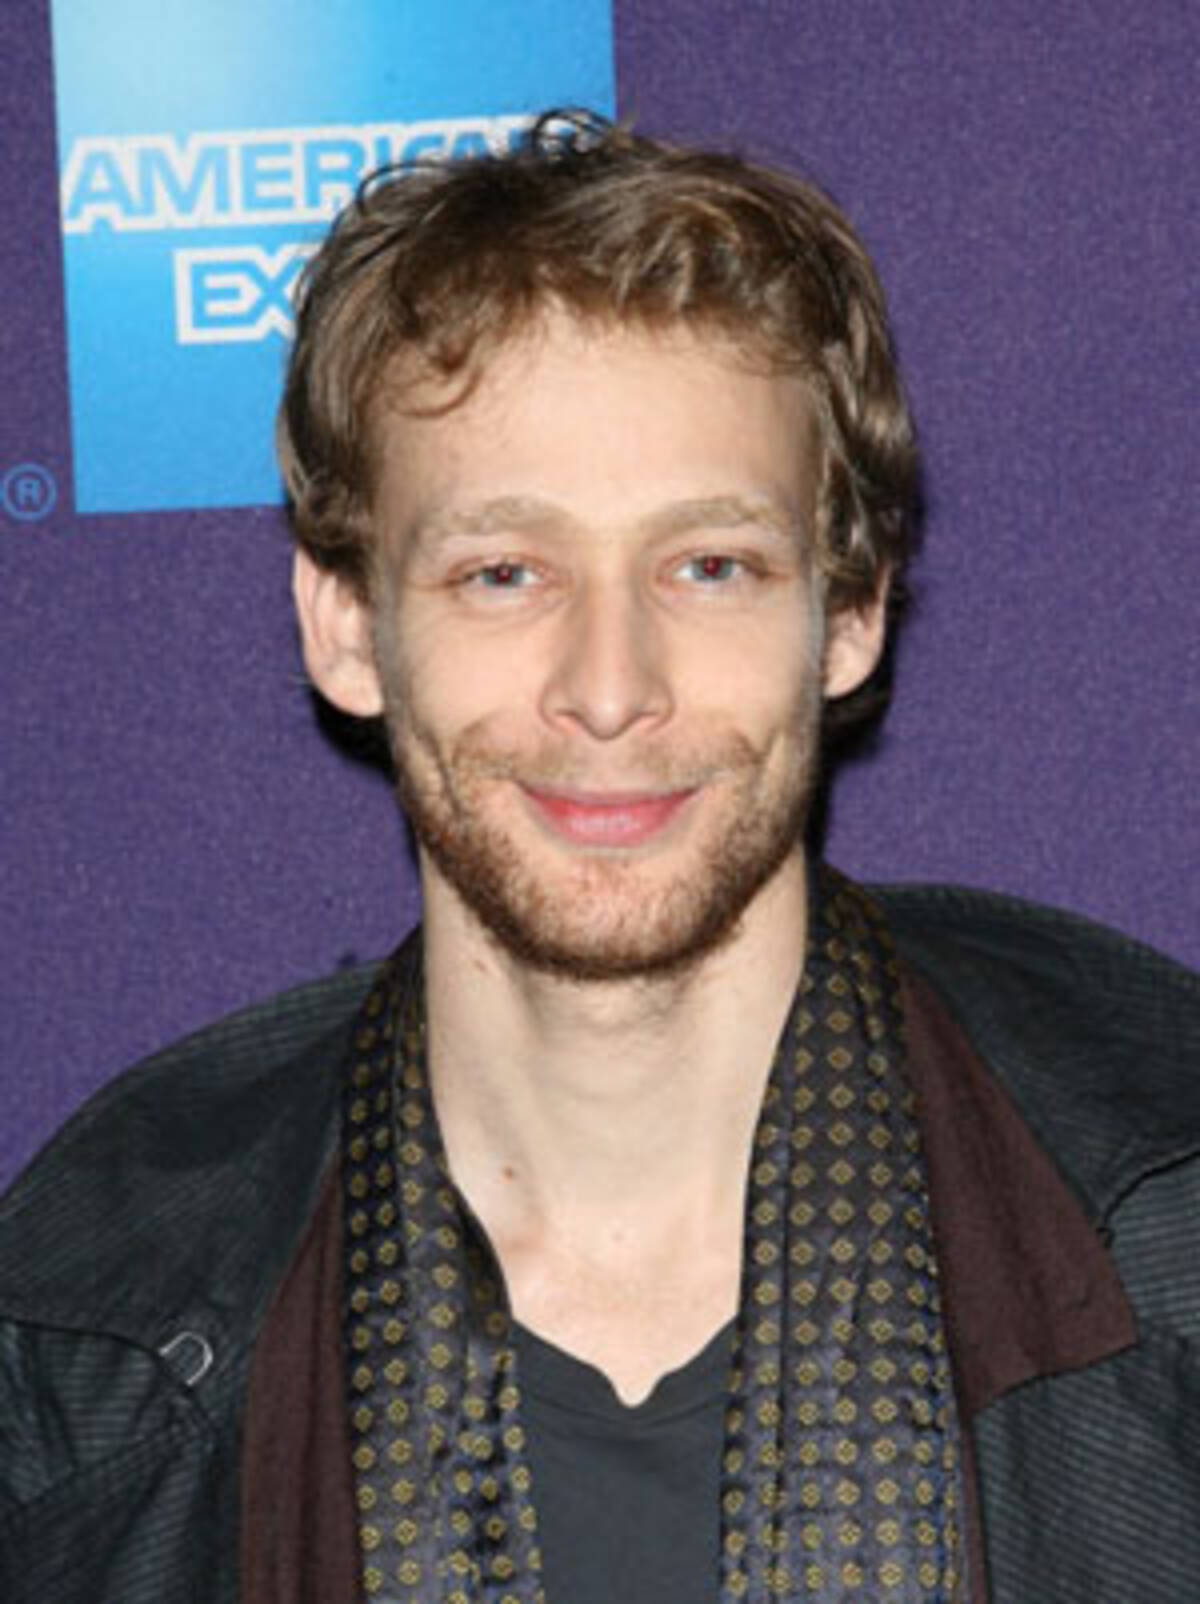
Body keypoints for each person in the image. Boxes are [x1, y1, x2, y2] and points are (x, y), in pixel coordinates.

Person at [0, 113, 1197, 1604]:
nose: (612, 687)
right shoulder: (78, 1350)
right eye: (506, 572)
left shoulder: (1170, 1214)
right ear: (349, 628)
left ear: (851, 613)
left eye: (710, 565)